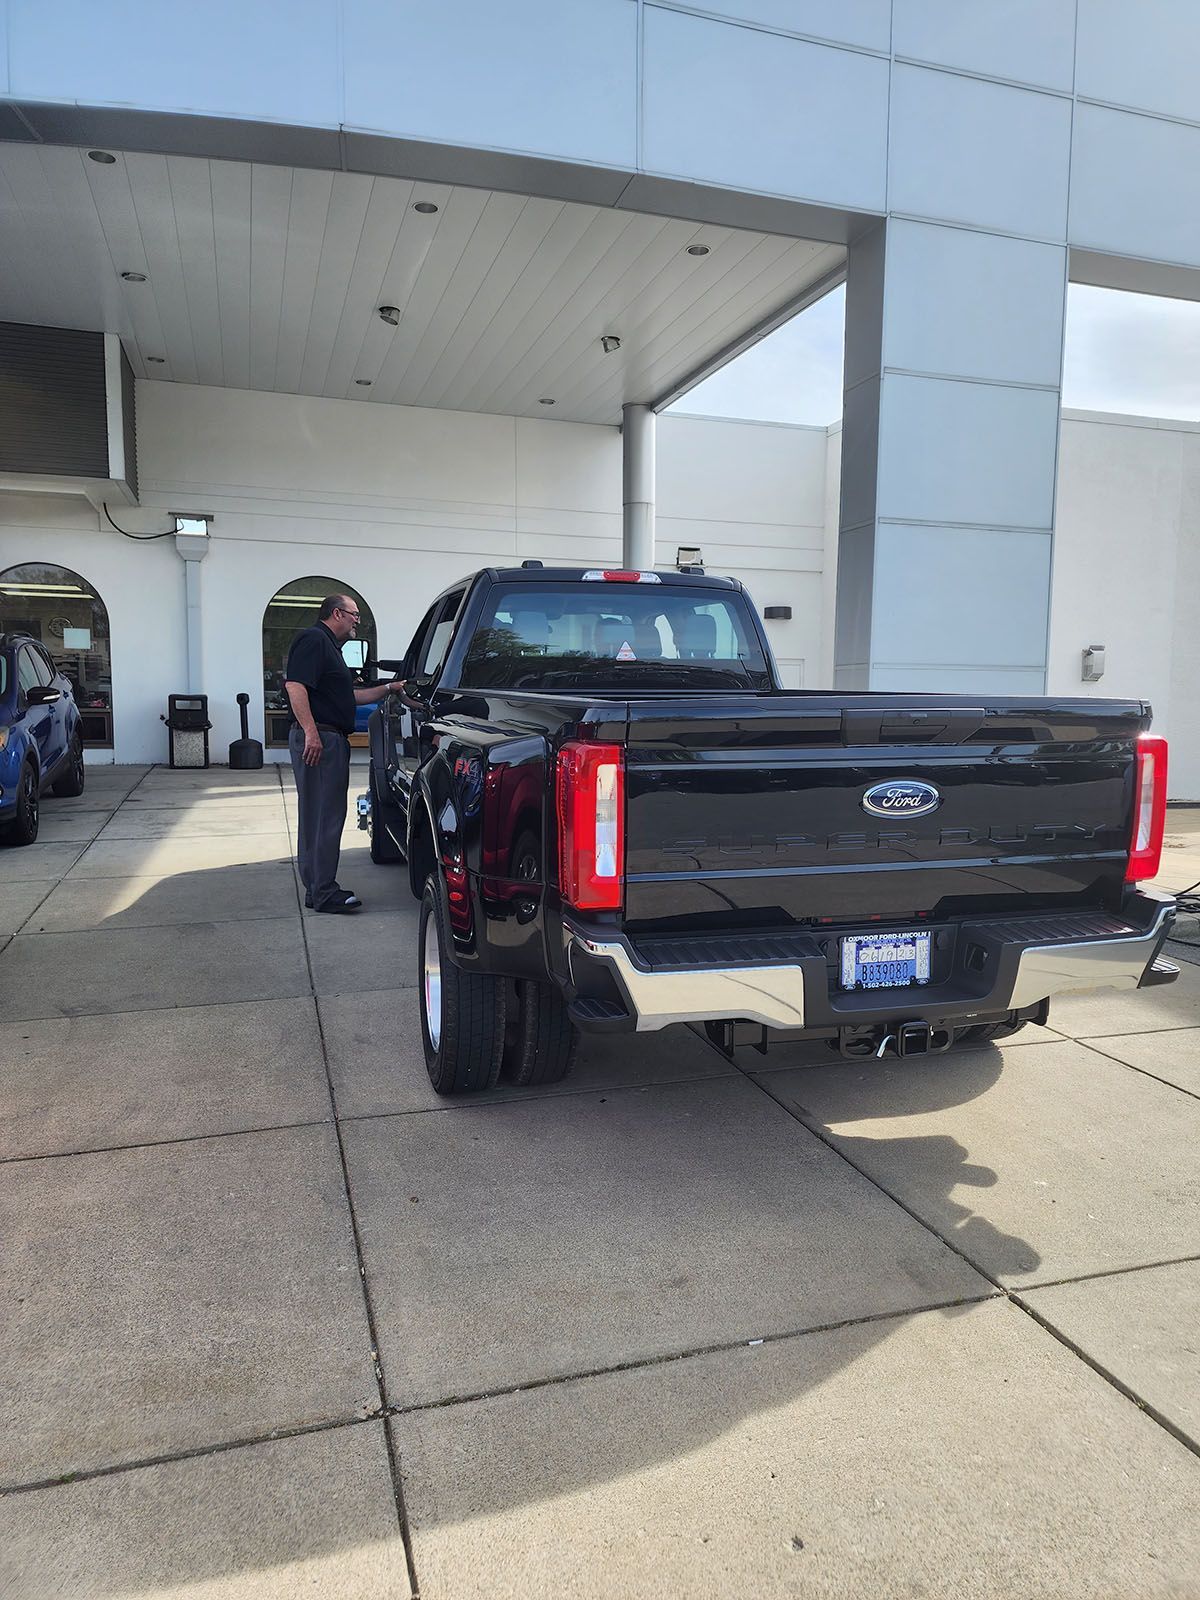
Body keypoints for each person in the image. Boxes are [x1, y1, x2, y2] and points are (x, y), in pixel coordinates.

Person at [284, 594, 406, 913]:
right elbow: (295, 686)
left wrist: (391, 688)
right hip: (320, 738)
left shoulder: (330, 649)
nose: (357, 621)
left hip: (326, 736)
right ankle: (324, 891)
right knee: (325, 816)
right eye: (354, 615)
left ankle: (317, 888)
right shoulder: (313, 640)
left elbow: (351, 696)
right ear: (337, 613)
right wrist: (310, 731)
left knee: (319, 815)